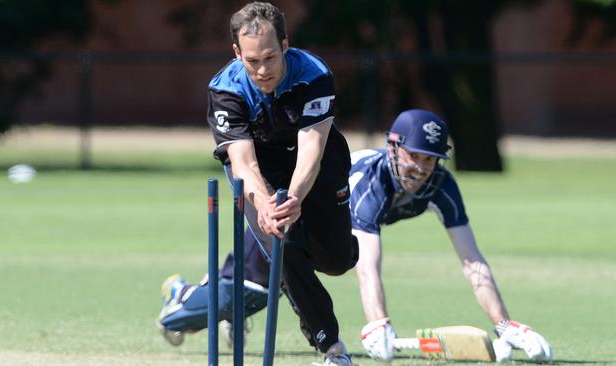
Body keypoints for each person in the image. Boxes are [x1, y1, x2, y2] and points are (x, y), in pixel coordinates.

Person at [159, 108, 553, 363]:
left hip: (324, 237)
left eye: (429, 159)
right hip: (286, 220)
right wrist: (378, 322)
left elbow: (472, 261)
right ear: (393, 148)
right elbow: (367, 265)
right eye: (413, 155)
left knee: (270, 295)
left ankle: (231, 315)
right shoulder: (370, 182)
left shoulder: (441, 186)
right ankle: (180, 296)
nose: (420, 168)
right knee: (243, 295)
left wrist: (505, 324)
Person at [158, 2, 359, 365]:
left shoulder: (312, 74)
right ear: (237, 53)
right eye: (252, 61)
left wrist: (295, 196)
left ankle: (205, 287)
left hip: (316, 160)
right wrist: (268, 205)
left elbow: (312, 148)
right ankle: (331, 347)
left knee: (337, 260)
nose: (263, 70)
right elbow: (244, 163)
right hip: (259, 172)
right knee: (284, 244)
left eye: (270, 57)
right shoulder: (226, 90)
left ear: (285, 44)